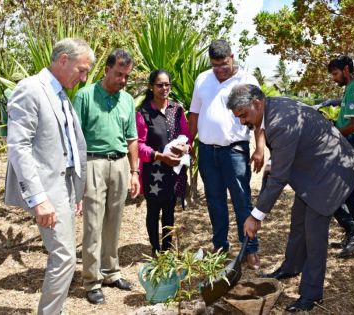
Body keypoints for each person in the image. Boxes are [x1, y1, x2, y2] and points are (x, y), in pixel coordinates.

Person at [229, 84, 354, 312]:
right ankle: (291, 266)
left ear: (257, 103)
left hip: (331, 172)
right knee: (298, 220)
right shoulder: (272, 109)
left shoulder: (281, 121)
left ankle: (311, 294)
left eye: (243, 115)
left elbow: (279, 177)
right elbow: (282, 159)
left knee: (314, 233)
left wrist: (256, 215)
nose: (242, 121)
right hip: (313, 171)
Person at [5, 38, 94, 315]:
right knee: (65, 256)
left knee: (65, 256)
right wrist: (38, 198)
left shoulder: (60, 93)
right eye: (81, 70)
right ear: (63, 60)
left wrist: (76, 192)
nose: (85, 77)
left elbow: (68, 145)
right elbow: (18, 147)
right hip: (47, 188)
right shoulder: (30, 89)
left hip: (65, 185)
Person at [188, 39, 264, 269]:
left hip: (235, 151)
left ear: (232, 56)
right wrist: (189, 144)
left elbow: (261, 117)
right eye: (215, 65)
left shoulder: (248, 80)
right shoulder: (202, 79)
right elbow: (194, 114)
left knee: (242, 200)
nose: (220, 69)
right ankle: (220, 246)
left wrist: (260, 148)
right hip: (208, 152)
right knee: (215, 201)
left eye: (224, 64)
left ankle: (249, 250)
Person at [73, 48, 139, 305]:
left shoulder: (128, 100)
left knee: (115, 221)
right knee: (93, 223)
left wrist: (134, 172)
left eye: (126, 76)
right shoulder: (85, 96)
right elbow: (75, 139)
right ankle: (91, 280)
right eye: (119, 74)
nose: (123, 80)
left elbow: (132, 138)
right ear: (106, 70)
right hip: (93, 163)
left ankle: (111, 272)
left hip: (120, 163)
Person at [136, 69, 191, 257]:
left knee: (169, 211)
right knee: (153, 211)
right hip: (153, 172)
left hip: (174, 171)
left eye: (167, 84)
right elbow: (139, 146)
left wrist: (185, 148)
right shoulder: (144, 113)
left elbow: (187, 137)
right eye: (159, 85)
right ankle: (155, 249)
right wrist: (159, 156)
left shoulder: (177, 110)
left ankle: (166, 250)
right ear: (151, 87)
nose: (164, 88)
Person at [327, 55, 354, 257]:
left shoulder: (353, 90)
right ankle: (352, 235)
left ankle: (352, 231)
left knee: (332, 189)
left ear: (346, 69)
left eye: (335, 74)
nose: (334, 79)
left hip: (349, 144)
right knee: (350, 192)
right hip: (353, 143)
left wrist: (331, 134)